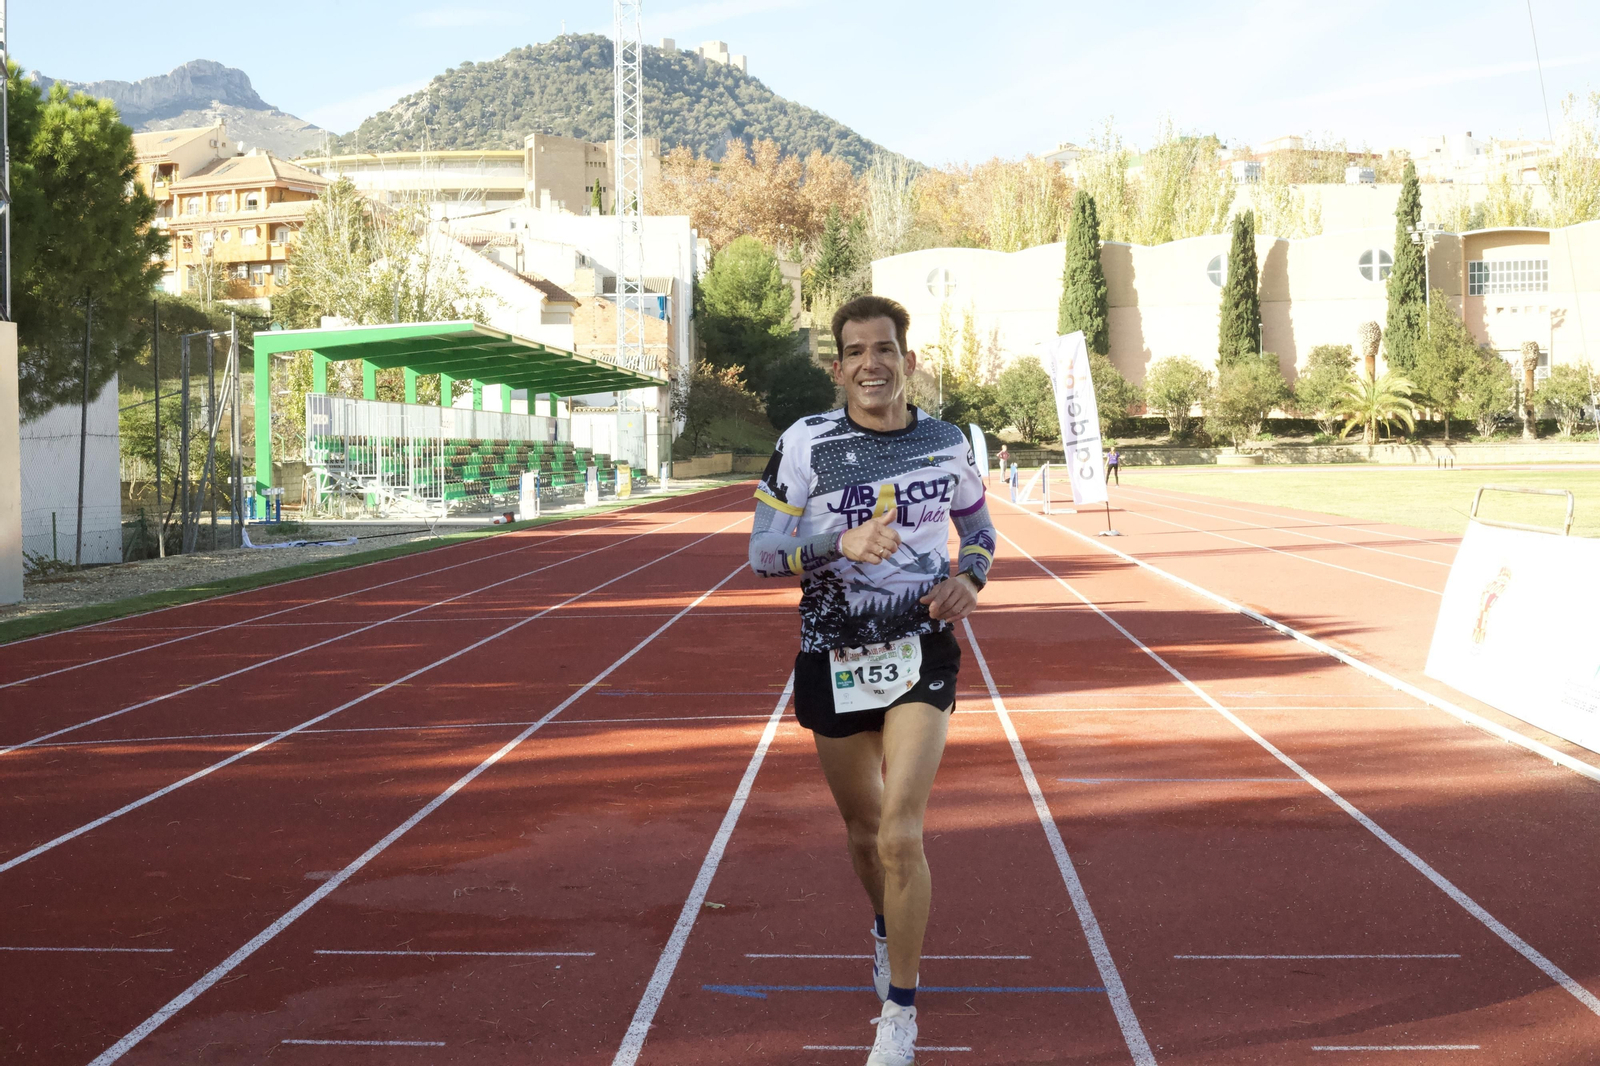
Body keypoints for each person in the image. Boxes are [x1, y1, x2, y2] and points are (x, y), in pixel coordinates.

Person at [748, 294, 996, 1066]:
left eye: (884, 349)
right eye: (855, 352)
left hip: (922, 646)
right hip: (832, 652)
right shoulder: (805, 444)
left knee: (901, 830)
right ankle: (887, 929)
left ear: (907, 360)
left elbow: (980, 529)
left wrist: (973, 578)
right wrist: (836, 542)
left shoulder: (947, 442)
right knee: (864, 833)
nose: (870, 365)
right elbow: (760, 553)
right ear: (837, 368)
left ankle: (900, 1012)